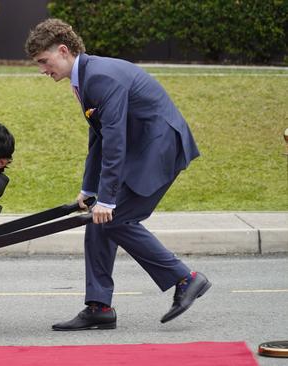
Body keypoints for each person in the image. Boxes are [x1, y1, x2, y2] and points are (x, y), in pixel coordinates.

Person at [24, 19, 210, 331]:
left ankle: (185, 279)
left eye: (44, 61)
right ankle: (99, 306)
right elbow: (98, 137)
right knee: (99, 221)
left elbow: (114, 141)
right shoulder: (85, 78)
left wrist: (107, 199)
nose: (43, 70)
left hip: (159, 149)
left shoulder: (100, 78)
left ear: (63, 50)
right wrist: (89, 190)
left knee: (116, 217)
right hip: (143, 149)